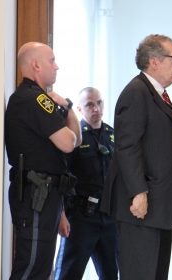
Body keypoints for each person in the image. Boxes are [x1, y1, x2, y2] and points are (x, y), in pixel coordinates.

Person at [100, 34, 172, 280]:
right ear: (154, 61)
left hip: (159, 209)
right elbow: (127, 147)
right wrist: (139, 192)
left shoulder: (156, 94)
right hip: (141, 209)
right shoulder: (136, 93)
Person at [5, 42, 81, 279]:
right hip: (36, 196)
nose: (57, 66)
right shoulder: (34, 100)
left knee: (41, 269)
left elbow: (72, 141)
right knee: (31, 268)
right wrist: (68, 110)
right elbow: (69, 142)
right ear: (36, 65)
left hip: (46, 196)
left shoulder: (39, 99)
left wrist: (68, 108)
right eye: (52, 60)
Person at [54, 87, 118, 279]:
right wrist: (61, 215)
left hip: (108, 218)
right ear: (80, 109)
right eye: (89, 104)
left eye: (99, 103)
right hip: (81, 219)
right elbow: (62, 177)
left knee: (110, 274)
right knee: (68, 273)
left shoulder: (112, 135)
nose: (96, 108)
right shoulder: (74, 138)